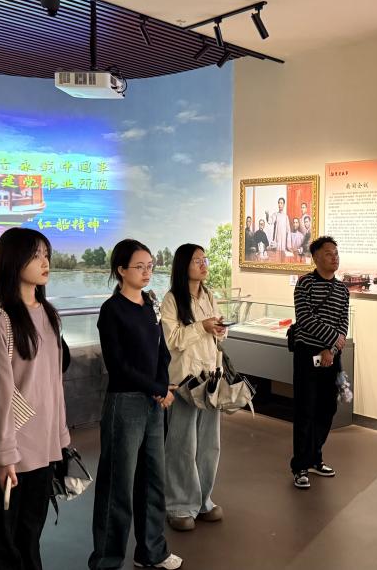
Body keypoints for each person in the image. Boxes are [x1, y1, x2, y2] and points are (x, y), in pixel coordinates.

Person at [0, 229, 69, 570]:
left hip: (45, 445)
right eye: (35, 255)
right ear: (14, 261)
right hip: (16, 450)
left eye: (46, 254)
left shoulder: (48, 313)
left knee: (31, 532)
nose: (45, 262)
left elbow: (54, 383)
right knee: (9, 541)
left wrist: (61, 437)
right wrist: (3, 454)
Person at [90, 240, 182, 570]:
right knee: (118, 484)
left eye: (150, 266)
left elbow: (162, 351)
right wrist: (157, 388)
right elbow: (118, 365)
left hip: (153, 402)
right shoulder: (112, 310)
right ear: (121, 270)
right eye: (139, 267)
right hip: (125, 403)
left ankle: (151, 551)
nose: (147, 272)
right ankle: (106, 559)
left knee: (153, 480)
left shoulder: (150, 303)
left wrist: (161, 385)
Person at [161, 244, 226, 532]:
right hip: (184, 382)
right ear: (183, 265)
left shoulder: (209, 295)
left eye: (204, 259)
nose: (203, 264)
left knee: (210, 444)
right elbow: (172, 339)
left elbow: (216, 334)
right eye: (197, 260)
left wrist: (220, 330)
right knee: (181, 445)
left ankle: (202, 501)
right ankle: (178, 505)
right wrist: (202, 326)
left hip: (210, 379)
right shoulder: (172, 299)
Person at [290, 236, 350, 490]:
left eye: (336, 253)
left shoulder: (342, 289)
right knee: (305, 410)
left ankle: (315, 457)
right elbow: (305, 319)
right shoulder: (304, 284)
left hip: (331, 356)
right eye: (328, 253)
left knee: (327, 409)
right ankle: (300, 466)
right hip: (307, 354)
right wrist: (331, 340)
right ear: (315, 258)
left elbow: (344, 323)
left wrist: (332, 349)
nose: (334, 257)